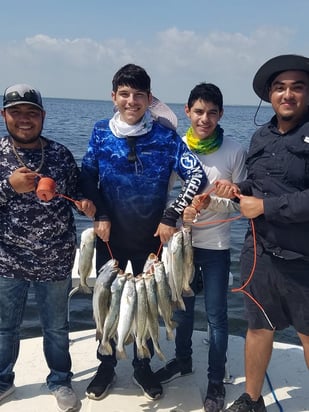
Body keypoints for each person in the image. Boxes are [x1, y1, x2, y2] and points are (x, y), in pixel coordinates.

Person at [80, 63, 207, 401]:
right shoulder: (100, 132)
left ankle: (142, 365)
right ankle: (106, 364)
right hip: (110, 239)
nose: (131, 101)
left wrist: (171, 215)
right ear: (113, 97)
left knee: (147, 307)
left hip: (153, 242)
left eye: (139, 95)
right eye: (124, 94)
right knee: (107, 304)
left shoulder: (165, 137)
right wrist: (101, 213)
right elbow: (87, 176)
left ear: (149, 98)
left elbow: (197, 178)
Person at [213, 54, 309, 412]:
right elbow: (260, 181)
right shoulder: (260, 135)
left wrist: (266, 208)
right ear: (270, 95)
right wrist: (237, 187)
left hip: (303, 258)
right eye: (280, 88)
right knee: (258, 328)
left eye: (297, 87)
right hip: (260, 254)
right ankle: (252, 400)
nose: (288, 94)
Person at [0, 84, 96, 411]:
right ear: (4, 116)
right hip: (6, 262)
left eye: (31, 113)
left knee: (56, 327)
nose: (24, 119)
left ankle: (59, 379)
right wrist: (8, 187)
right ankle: (2, 379)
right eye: (16, 112)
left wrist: (86, 203)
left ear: (42, 116)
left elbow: (78, 193)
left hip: (55, 260)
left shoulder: (60, 154)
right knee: (4, 327)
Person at [154, 83, 247, 411]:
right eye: (198, 111)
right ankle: (182, 360)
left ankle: (214, 380)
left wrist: (211, 203)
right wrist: (180, 211)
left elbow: (240, 205)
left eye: (211, 112)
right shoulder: (175, 147)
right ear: (187, 112)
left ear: (221, 114)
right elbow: (163, 194)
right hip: (181, 244)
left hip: (217, 247)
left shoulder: (234, 150)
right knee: (182, 310)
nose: (204, 118)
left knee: (217, 317)